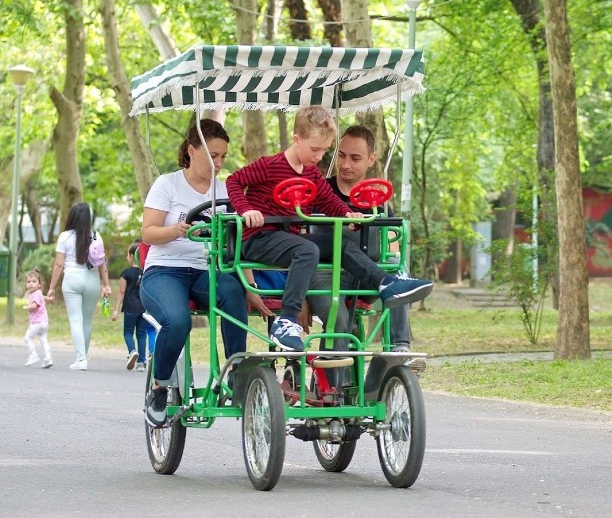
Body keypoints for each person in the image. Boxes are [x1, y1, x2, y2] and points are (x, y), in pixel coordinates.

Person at [225, 105, 433, 353]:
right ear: (296, 140)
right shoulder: (270, 165)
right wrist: (246, 209)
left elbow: (328, 201)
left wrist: (347, 214)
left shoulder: (312, 173)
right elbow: (234, 181)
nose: (320, 156)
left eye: (324, 150)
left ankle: (387, 283)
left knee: (339, 243)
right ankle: (286, 320)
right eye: (315, 149)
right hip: (259, 238)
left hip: (286, 241)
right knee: (308, 249)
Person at [141, 119, 271, 427]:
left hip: (204, 270)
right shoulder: (167, 184)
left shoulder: (225, 191)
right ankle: (159, 387)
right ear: (191, 151)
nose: (219, 163)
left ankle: (236, 374)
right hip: (164, 270)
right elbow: (148, 234)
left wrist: (251, 287)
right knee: (178, 321)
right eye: (213, 155)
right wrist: (177, 230)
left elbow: (239, 242)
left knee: (231, 291)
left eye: (223, 156)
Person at [311, 125, 414, 352]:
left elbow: (392, 246)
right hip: (327, 276)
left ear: (371, 159)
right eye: (342, 155)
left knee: (398, 268)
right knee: (336, 319)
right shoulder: (320, 194)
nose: (346, 165)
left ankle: (400, 346)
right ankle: (331, 377)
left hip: (367, 276)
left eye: (355, 158)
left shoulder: (377, 202)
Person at [46, 202, 112, 370]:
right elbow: (102, 263)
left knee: (76, 320)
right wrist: (106, 284)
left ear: (72, 216)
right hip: (92, 279)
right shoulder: (96, 236)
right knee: (87, 321)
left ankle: (81, 359)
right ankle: (83, 358)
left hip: (72, 279)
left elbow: (58, 265)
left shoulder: (65, 237)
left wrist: (52, 287)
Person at [111, 240, 149, 371]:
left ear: (132, 256)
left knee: (128, 332)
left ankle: (132, 351)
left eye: (128, 255)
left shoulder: (126, 273)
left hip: (130, 308)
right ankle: (141, 363)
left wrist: (116, 310)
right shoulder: (146, 272)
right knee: (141, 334)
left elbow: (121, 291)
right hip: (143, 307)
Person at [22, 269, 52, 369]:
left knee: (27, 338)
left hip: (37, 323)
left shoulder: (34, 294)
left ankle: (33, 355)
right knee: (44, 340)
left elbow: (34, 306)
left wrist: (27, 307)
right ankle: (48, 358)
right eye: (29, 282)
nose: (31, 284)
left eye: (34, 282)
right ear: (26, 284)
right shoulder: (38, 293)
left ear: (39, 284)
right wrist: (50, 299)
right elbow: (43, 298)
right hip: (45, 322)